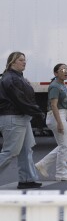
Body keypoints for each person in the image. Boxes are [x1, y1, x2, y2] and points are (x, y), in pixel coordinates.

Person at [0, 52, 44, 189]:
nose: (24, 62)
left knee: (26, 149)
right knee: (10, 152)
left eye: (25, 60)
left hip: (21, 116)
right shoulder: (11, 78)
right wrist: (37, 112)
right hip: (14, 117)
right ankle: (26, 179)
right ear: (12, 62)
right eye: (21, 60)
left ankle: (27, 179)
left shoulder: (16, 77)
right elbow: (21, 100)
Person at [34, 63, 67, 181]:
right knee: (66, 144)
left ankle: (43, 164)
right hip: (56, 116)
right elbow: (53, 105)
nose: (65, 71)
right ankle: (61, 173)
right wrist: (59, 122)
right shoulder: (54, 86)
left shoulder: (62, 84)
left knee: (64, 144)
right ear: (55, 73)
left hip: (61, 115)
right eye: (62, 69)